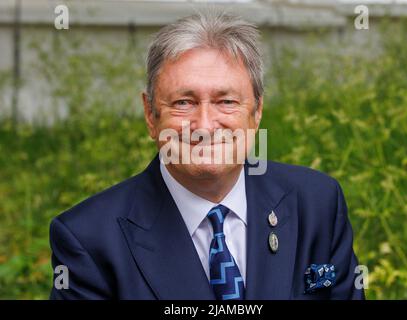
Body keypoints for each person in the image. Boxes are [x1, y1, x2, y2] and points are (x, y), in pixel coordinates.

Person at [49, 11, 364, 300]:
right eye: (183, 102)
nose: (204, 126)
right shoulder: (89, 239)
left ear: (257, 112)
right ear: (150, 114)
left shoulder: (317, 203)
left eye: (226, 101)